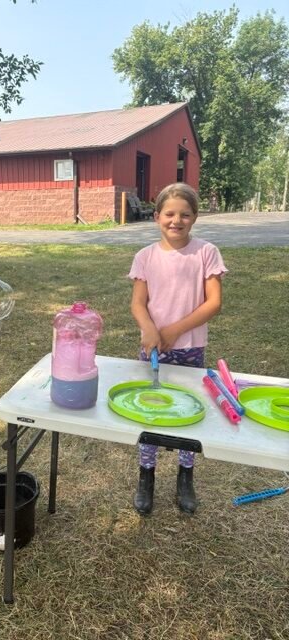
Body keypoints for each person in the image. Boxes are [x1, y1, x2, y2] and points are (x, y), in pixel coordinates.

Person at [128, 183, 227, 515]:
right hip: (154, 350)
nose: (176, 220)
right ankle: (146, 475)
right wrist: (149, 329)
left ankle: (186, 476)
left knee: (188, 410)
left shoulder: (206, 252)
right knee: (150, 409)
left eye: (185, 214)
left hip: (189, 348)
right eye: (169, 213)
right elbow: (138, 304)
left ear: (194, 217)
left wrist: (174, 330)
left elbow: (213, 303)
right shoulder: (145, 257)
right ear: (157, 216)